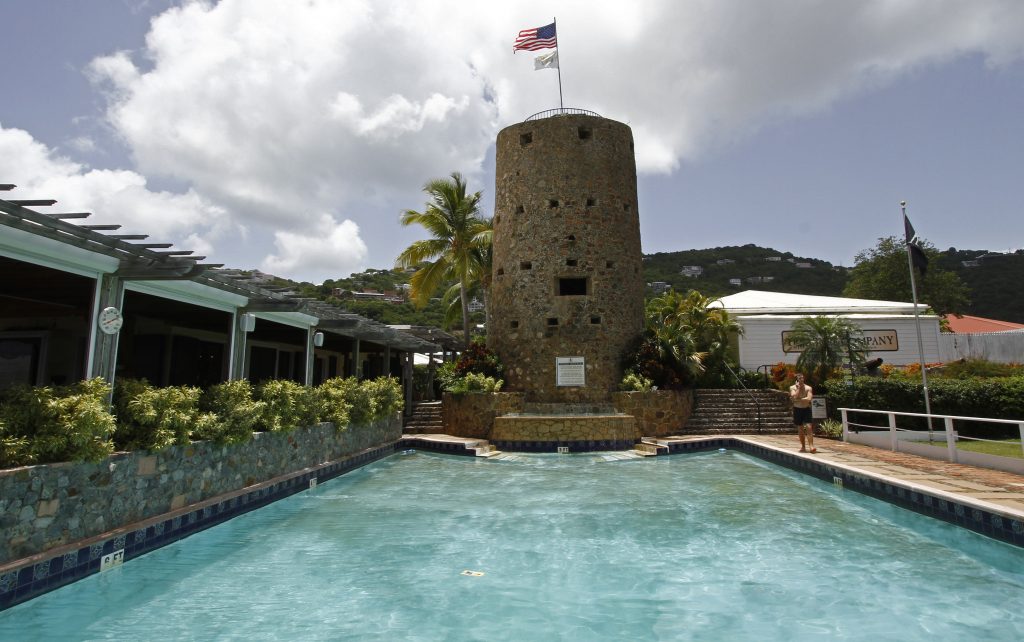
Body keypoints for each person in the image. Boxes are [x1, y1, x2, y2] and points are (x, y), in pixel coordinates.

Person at [789, 373, 816, 453]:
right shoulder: (792, 387)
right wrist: (799, 389)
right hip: (797, 409)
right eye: (799, 378)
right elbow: (794, 396)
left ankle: (811, 446)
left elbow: (809, 398)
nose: (801, 379)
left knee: (809, 427)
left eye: (802, 378)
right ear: (797, 379)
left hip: (806, 409)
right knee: (800, 429)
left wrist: (798, 399)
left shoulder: (808, 388)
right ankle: (803, 447)